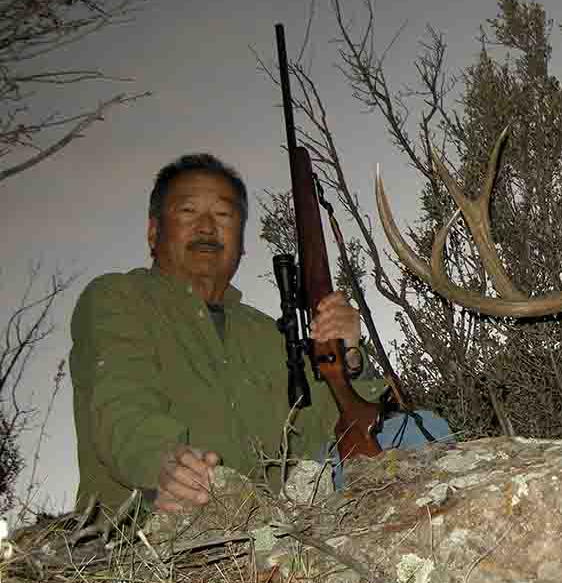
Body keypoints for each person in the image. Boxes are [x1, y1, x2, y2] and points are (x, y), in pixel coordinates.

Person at [70, 153, 450, 514]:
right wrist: (163, 465)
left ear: (242, 243)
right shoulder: (117, 298)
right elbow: (120, 407)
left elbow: (334, 427)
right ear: (154, 232)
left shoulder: (266, 334)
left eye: (223, 214)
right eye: (187, 211)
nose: (206, 227)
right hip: (164, 518)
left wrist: (349, 357)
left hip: (278, 520)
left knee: (421, 432)